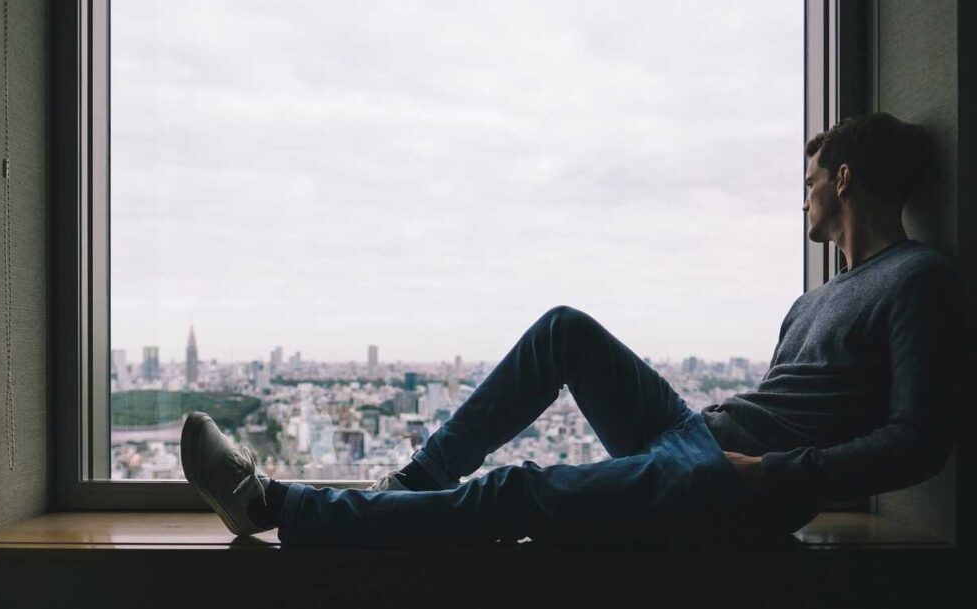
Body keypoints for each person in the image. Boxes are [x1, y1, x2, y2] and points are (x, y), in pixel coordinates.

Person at [180, 112, 965, 548]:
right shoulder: (813, 301)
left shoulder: (916, 277)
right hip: (704, 442)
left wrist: (770, 474)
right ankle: (412, 484)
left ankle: (273, 505)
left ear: (844, 178)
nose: (803, 201)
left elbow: (921, 439)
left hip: (734, 483)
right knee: (564, 330)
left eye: (809, 183)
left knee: (518, 491)